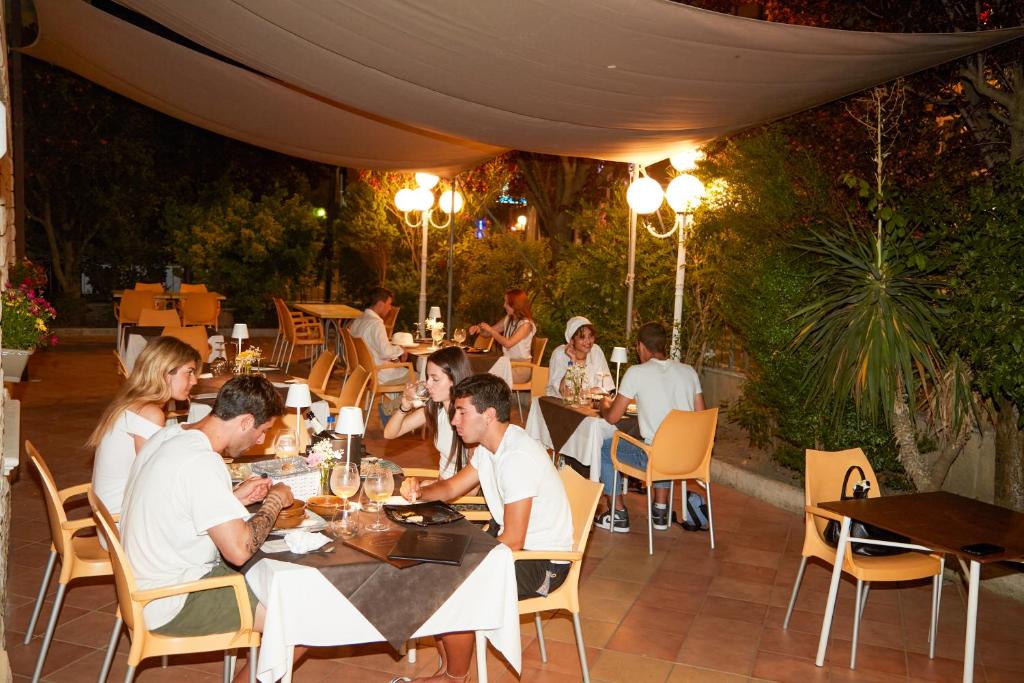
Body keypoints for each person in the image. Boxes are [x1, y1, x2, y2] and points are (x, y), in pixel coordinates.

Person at [119, 375, 300, 683]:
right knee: (300, 619)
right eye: (263, 430)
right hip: (170, 599)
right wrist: (275, 501)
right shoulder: (202, 461)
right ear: (244, 422)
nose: (260, 440)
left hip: (144, 581)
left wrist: (232, 499)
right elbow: (239, 550)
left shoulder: (171, 436)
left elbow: (180, 502)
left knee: (275, 589)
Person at [396, 374, 572, 683]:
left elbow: (514, 540)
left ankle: (454, 677)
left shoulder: (517, 458)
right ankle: (448, 669)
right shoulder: (493, 446)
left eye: (462, 411)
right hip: (514, 546)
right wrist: (419, 491)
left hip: (541, 563)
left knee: (450, 582)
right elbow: (451, 488)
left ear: (488, 415)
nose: (454, 420)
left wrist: (460, 556)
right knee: (433, 564)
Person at [594, 322, 705, 533]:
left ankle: (617, 513)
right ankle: (661, 512)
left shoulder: (637, 373)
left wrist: (604, 403)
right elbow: (701, 416)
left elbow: (613, 417)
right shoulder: (689, 372)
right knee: (661, 440)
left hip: (656, 459)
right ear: (664, 346)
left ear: (641, 347)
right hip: (689, 457)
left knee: (604, 447)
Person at [89, 336, 200, 518]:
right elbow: (154, 480)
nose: (194, 381)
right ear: (165, 372)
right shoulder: (149, 413)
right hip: (121, 523)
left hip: (110, 516)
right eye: (189, 372)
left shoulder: (132, 402)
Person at [382, 346, 473, 479]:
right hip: (443, 488)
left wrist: (430, 488)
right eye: (428, 377)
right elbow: (390, 433)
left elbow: (472, 487)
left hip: (460, 495)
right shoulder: (436, 409)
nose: (428, 384)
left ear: (455, 380)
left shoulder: (471, 420)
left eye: (435, 379)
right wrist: (404, 407)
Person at [469, 288, 536, 384]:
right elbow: (488, 334)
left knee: (487, 378)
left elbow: (508, 344)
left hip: (521, 368)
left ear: (515, 305)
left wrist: (490, 330)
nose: (504, 305)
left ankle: (491, 399)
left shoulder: (526, 325)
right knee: (481, 374)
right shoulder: (509, 319)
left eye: (506, 303)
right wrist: (479, 330)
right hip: (507, 365)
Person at [348, 286, 409, 385]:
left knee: (397, 367)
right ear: (380, 304)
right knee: (418, 376)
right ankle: (396, 401)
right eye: (389, 304)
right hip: (378, 373)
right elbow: (386, 352)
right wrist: (401, 350)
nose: (390, 309)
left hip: (363, 371)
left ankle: (389, 400)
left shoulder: (358, 320)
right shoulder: (376, 324)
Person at [546, 316, 615, 398]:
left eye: (590, 336)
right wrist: (573, 361)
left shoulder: (596, 351)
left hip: (588, 406)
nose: (588, 341)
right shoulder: (560, 354)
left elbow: (606, 388)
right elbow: (565, 393)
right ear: (572, 341)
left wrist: (585, 392)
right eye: (582, 337)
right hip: (557, 406)